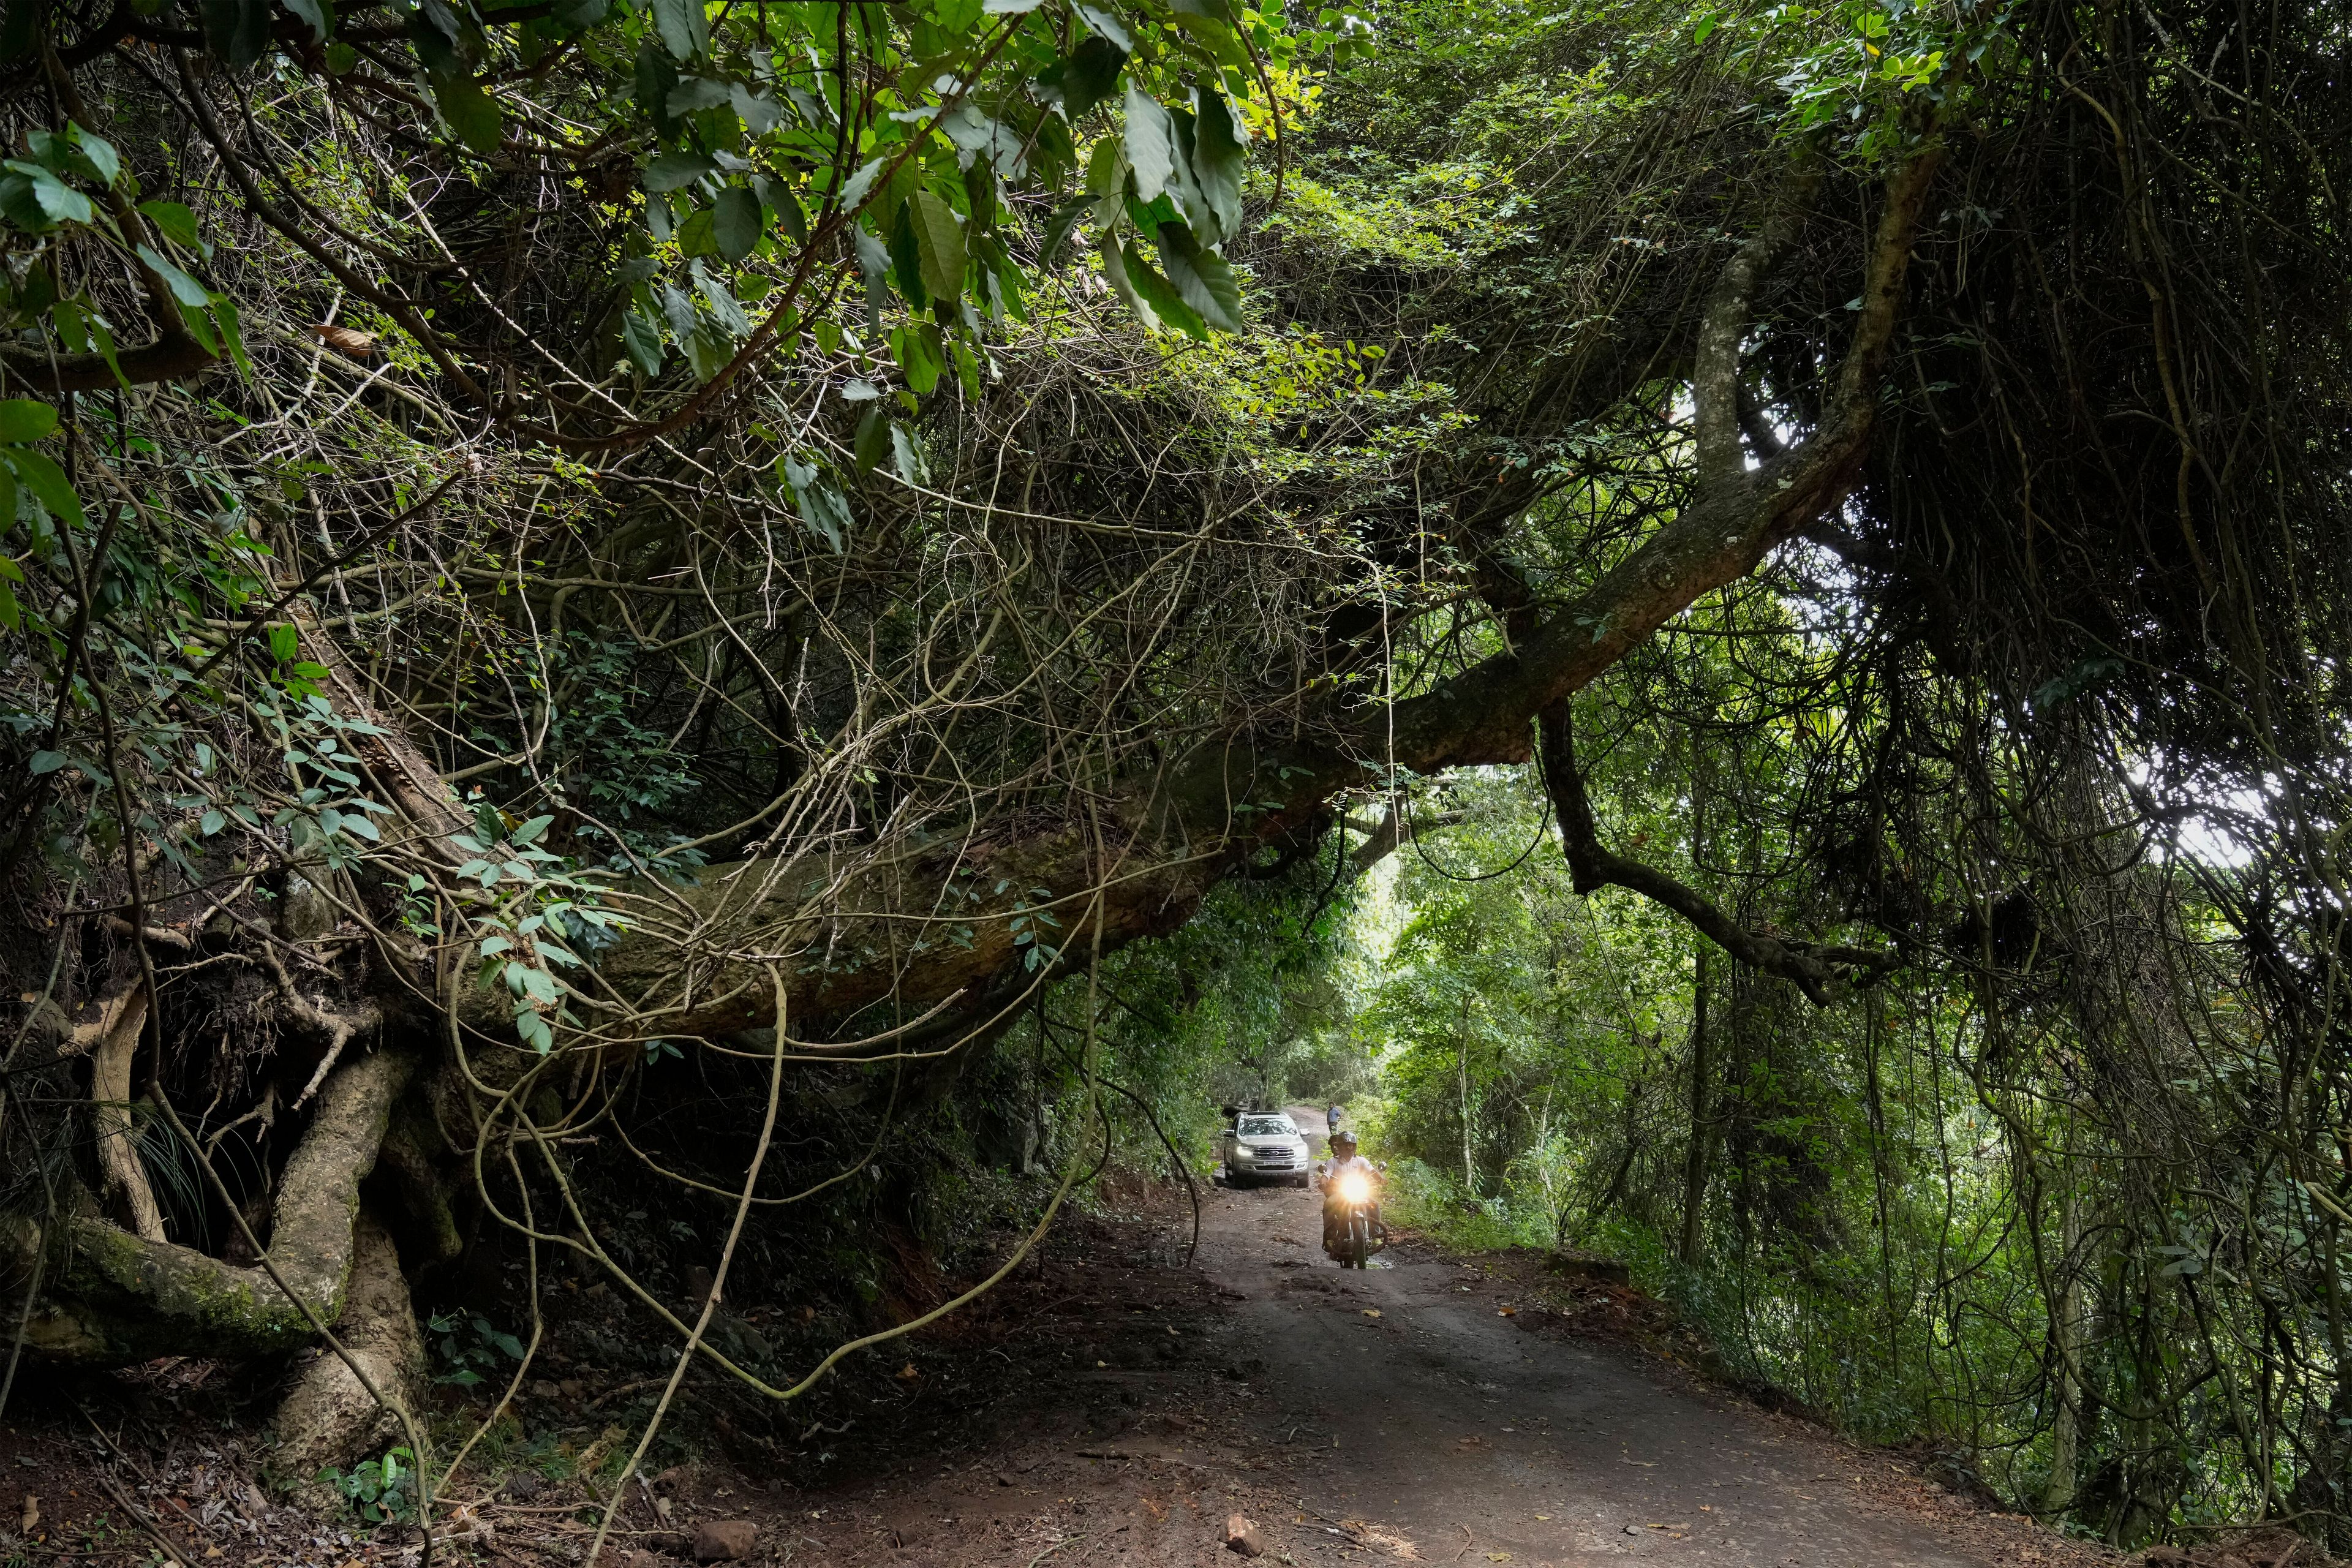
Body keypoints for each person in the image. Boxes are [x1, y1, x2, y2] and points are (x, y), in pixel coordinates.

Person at [1320, 1129, 1384, 1253]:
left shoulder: (1361, 1161)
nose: (1349, 1148)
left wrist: (1381, 1178)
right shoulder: (1333, 1162)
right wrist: (1323, 1180)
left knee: (1374, 1205)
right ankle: (1330, 1237)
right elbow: (1326, 1174)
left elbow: (1372, 1171)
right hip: (1340, 1194)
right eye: (1346, 1145)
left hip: (1359, 1191)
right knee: (1328, 1204)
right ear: (1340, 1147)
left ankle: (1376, 1235)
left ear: (1355, 1146)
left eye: (1352, 1145)